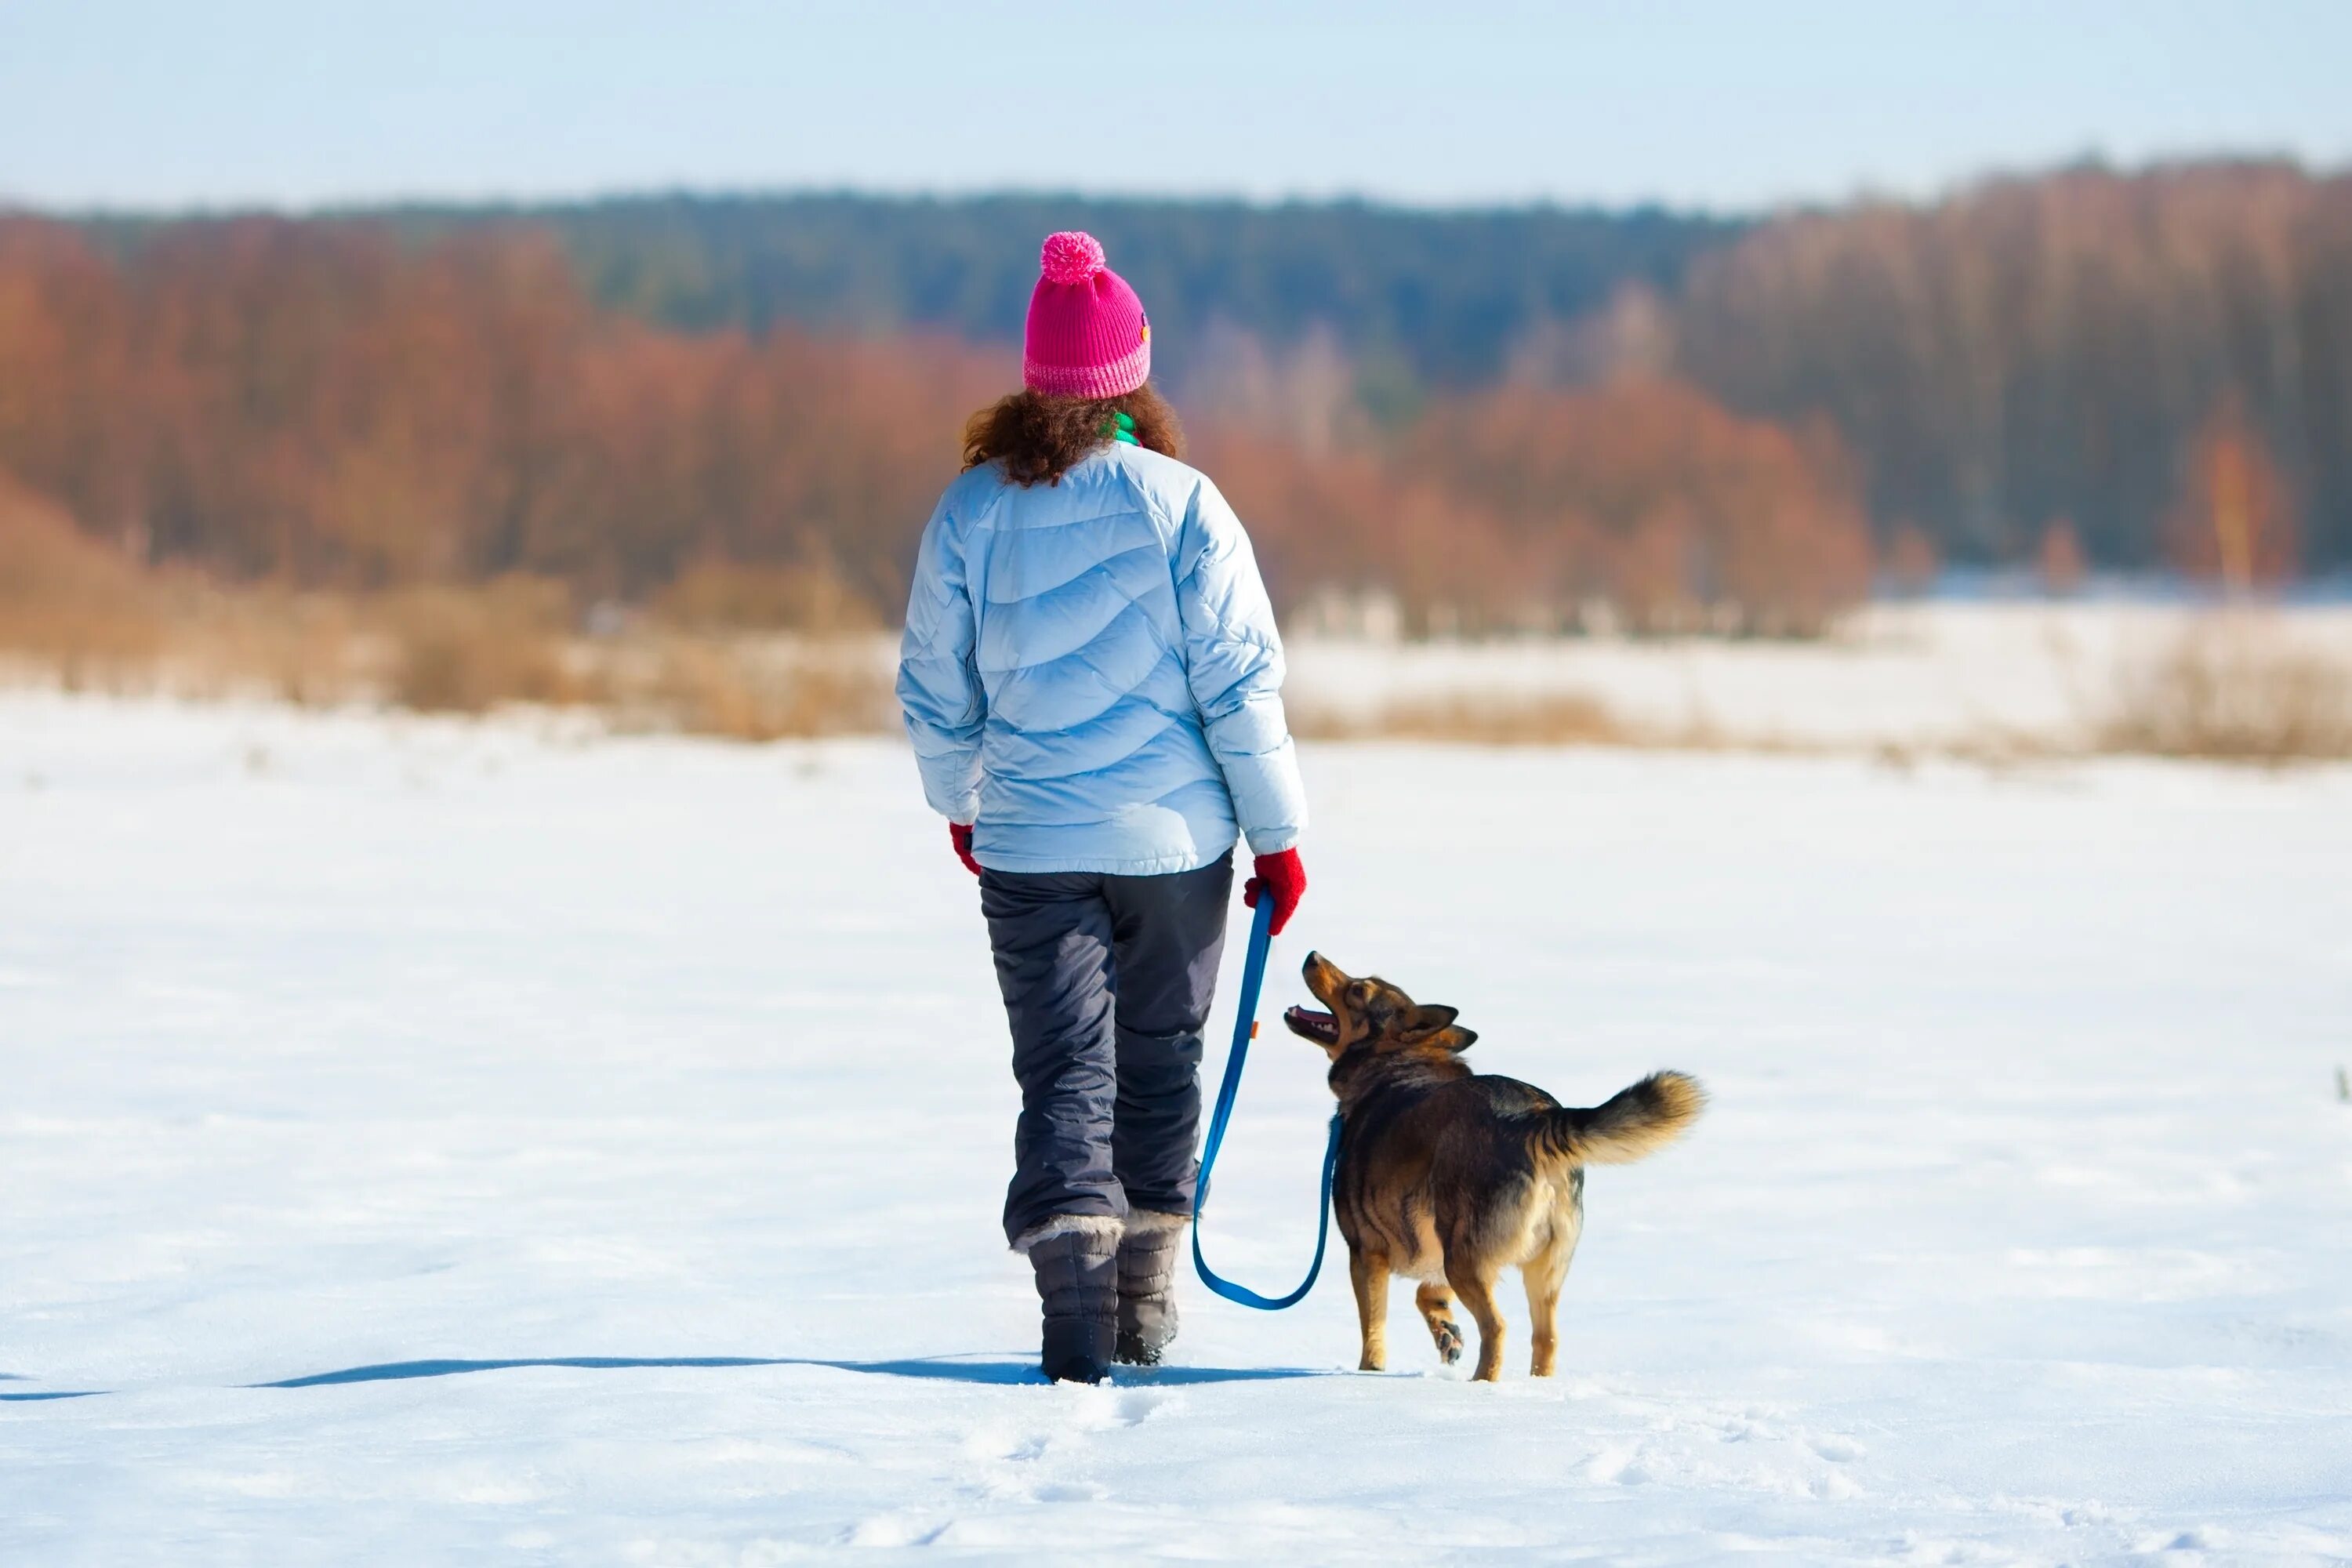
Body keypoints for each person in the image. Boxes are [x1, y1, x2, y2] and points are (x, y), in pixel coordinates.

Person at [897, 231, 1308, 1384]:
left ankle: (1075, 1306)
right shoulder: (1187, 504)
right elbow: (1241, 683)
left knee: (1065, 1069)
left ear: (1033, 381)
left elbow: (935, 687)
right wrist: (1277, 837)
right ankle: (1143, 1300)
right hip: (1176, 846)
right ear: (1132, 375)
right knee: (1161, 1055)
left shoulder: (970, 511)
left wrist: (961, 803)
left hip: (1032, 842)